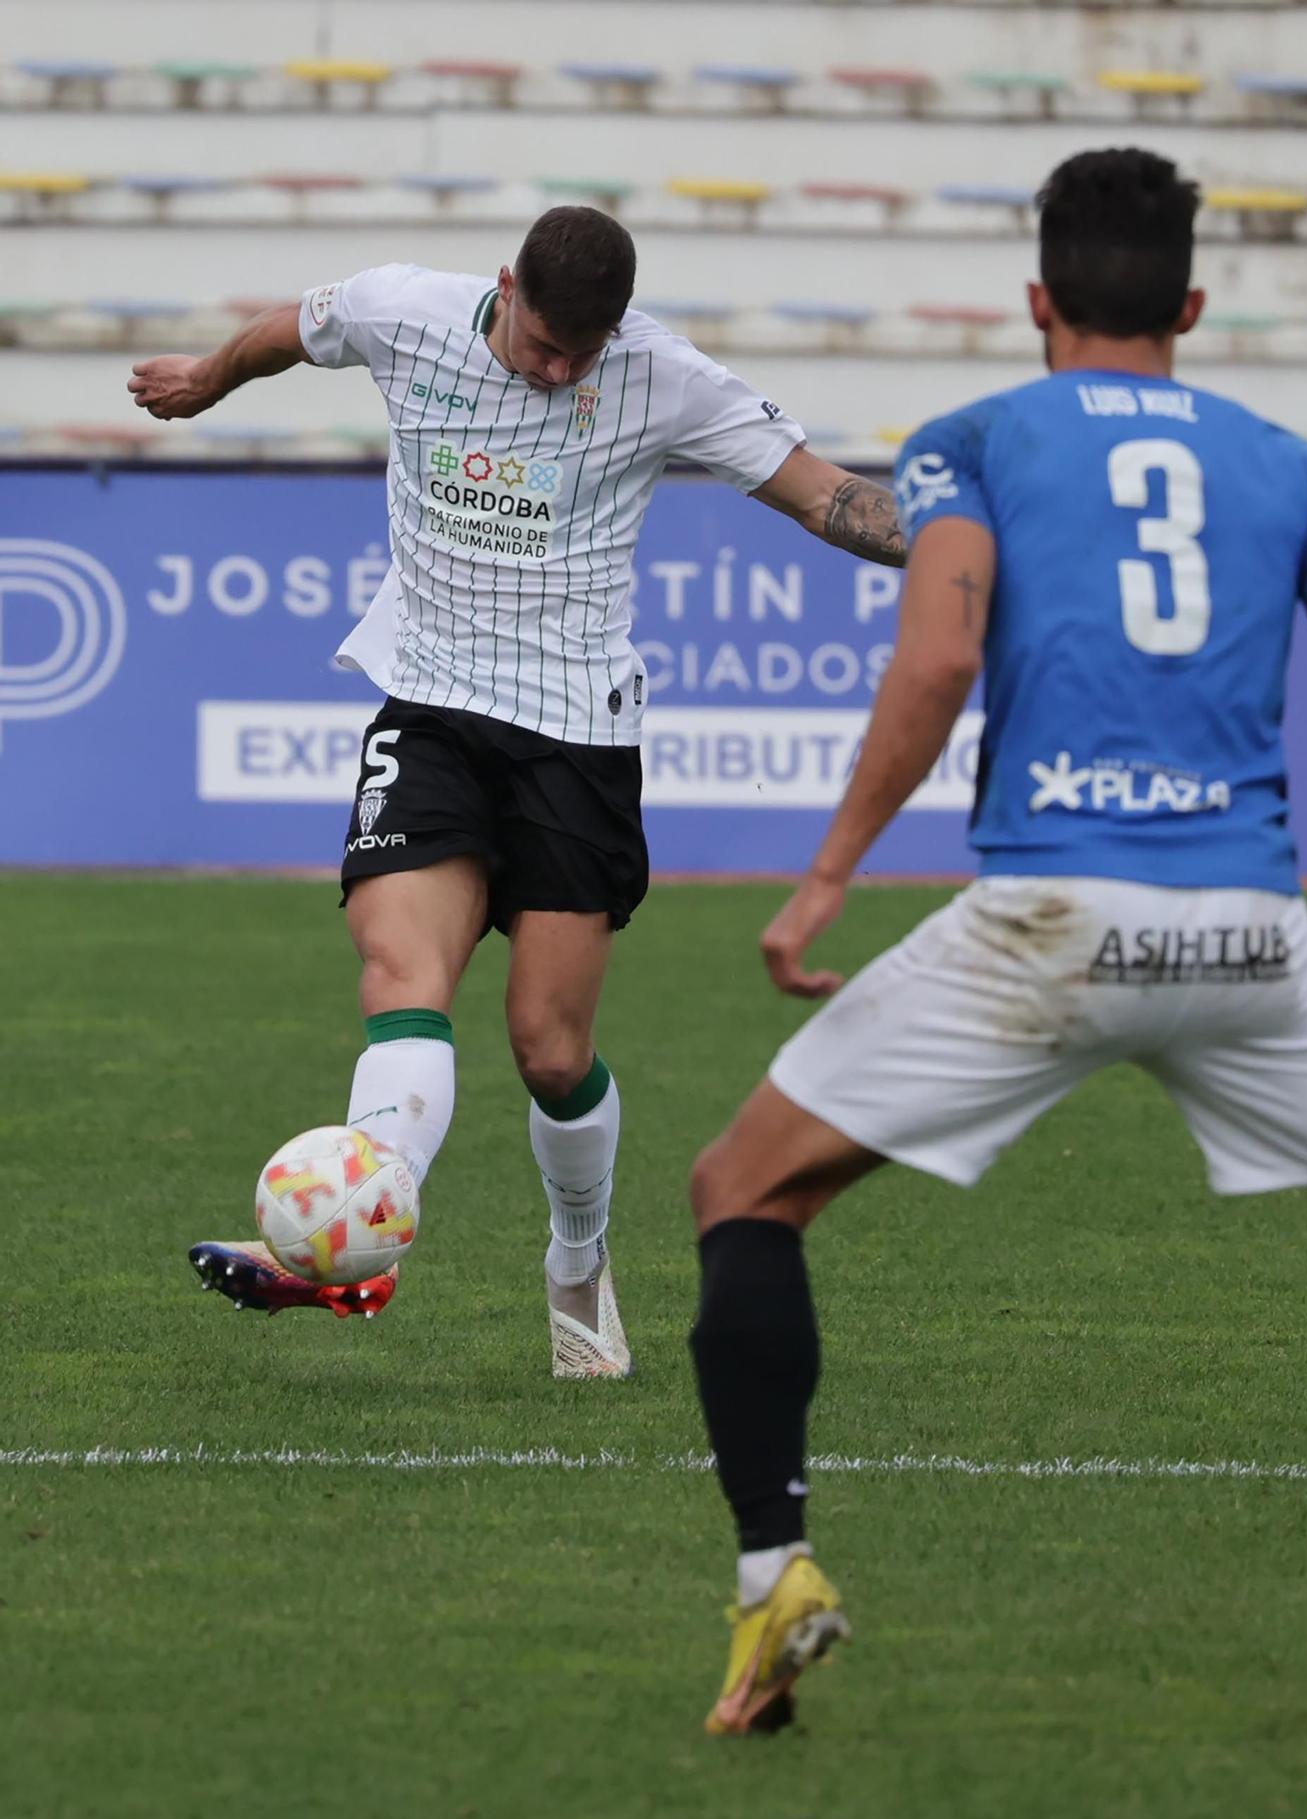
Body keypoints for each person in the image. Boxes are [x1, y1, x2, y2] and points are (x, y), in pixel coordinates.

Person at [683, 148, 1307, 1742]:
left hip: (1047, 917)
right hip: (1245, 933)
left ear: (1035, 299)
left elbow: (935, 658)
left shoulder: (978, 440)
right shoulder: (1287, 464)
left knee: (743, 1189)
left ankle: (773, 1580)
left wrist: (825, 881)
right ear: (1192, 304)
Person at [127, 205, 905, 1379]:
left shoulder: (662, 374)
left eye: (580, 355)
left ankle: (578, 1260)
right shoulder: (407, 310)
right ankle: (353, 1236)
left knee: (548, 1050)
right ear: (504, 287)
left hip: (574, 737)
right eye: (542, 345)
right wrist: (207, 377)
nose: (557, 371)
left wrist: (976, 542)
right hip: (430, 706)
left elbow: (826, 496)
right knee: (401, 973)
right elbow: (294, 327)